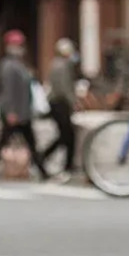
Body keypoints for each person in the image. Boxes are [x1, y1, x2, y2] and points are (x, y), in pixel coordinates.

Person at [0, 30, 49, 182]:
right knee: (4, 142)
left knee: (28, 143)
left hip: (22, 112)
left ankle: (43, 172)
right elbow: (9, 90)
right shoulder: (8, 66)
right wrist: (11, 112)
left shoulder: (19, 65)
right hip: (14, 113)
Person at [41, 38, 81, 182]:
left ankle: (47, 158)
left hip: (57, 103)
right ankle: (61, 163)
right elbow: (64, 88)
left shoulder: (57, 64)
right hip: (60, 104)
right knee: (67, 135)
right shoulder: (62, 66)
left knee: (65, 135)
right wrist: (74, 102)